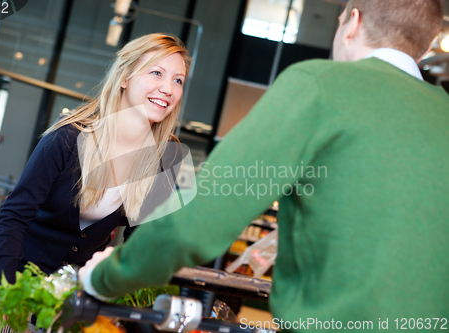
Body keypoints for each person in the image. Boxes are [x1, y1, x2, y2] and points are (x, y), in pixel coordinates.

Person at [80, 0, 449, 329]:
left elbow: (202, 216)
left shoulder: (321, 85)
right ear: (426, 40)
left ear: (352, 22)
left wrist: (107, 278)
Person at [0, 33, 190, 330]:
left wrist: (132, 307)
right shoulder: (68, 139)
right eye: (156, 73)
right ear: (125, 77)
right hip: (12, 271)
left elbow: (140, 242)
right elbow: (13, 216)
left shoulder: (165, 159)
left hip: (73, 290)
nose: (167, 89)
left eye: (178, 80)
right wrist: (6, 289)